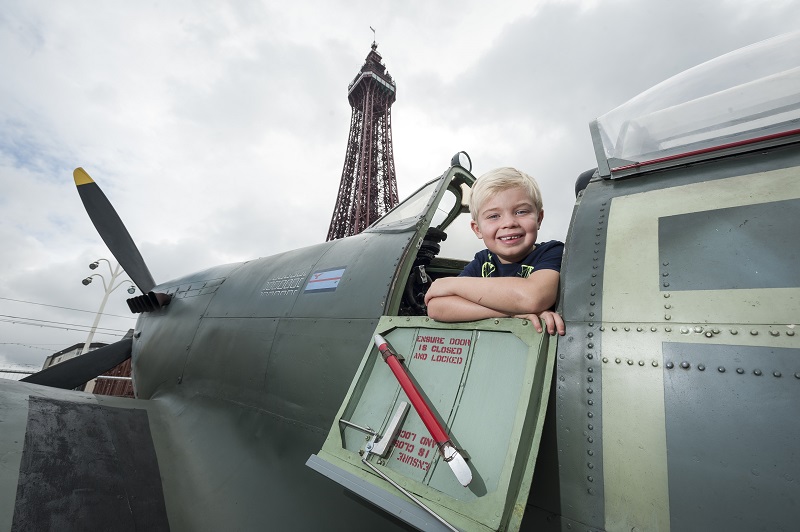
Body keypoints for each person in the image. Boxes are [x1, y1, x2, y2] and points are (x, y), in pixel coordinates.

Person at [425, 167, 565, 335]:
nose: (509, 223)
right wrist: (513, 312)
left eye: (521, 212)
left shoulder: (552, 251)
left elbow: (533, 297)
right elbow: (436, 308)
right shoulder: (483, 261)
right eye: (493, 216)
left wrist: (449, 283)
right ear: (477, 229)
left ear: (539, 219)